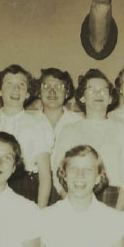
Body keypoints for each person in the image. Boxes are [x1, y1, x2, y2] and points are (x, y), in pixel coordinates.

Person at [40, 145, 124, 247]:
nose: (80, 175)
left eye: (89, 170)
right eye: (73, 169)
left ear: (99, 177)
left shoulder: (113, 219)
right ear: (64, 174)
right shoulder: (46, 217)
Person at [53, 69, 124, 211]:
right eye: (91, 90)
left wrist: (118, 210)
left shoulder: (123, 130)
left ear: (110, 98)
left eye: (103, 90)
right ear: (82, 98)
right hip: (76, 194)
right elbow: (58, 169)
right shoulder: (69, 130)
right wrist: (69, 203)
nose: (98, 94)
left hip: (112, 197)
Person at [0, 64, 52, 207]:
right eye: (9, 84)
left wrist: (40, 210)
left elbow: (45, 175)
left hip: (24, 186)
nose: (16, 89)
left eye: (21, 85)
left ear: (27, 94)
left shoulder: (38, 124)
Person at [29, 68, 83, 204]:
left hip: (68, 185)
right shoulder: (28, 121)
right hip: (33, 185)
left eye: (58, 87)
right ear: (39, 92)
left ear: (67, 93)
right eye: (46, 86)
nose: (52, 91)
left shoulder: (79, 122)